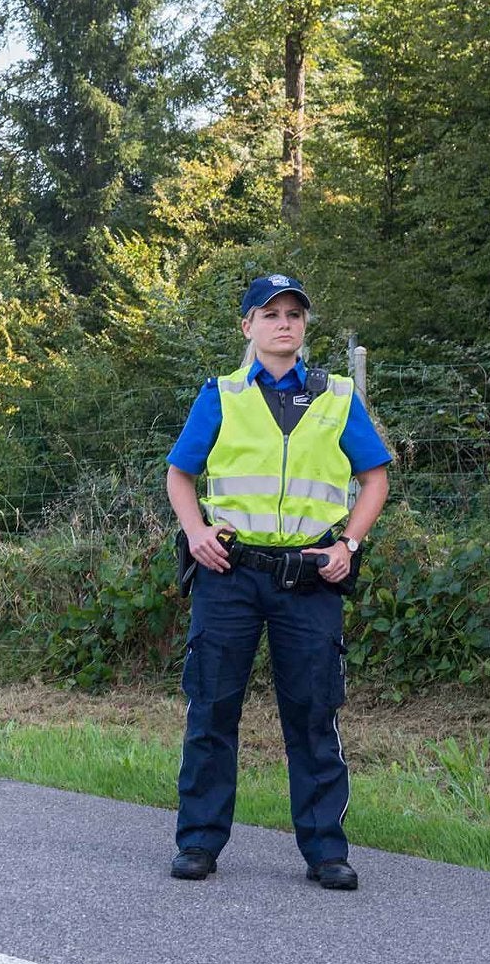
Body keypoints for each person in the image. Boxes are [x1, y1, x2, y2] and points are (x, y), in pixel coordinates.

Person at [165, 274, 392, 890]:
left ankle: (326, 851)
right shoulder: (222, 394)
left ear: (303, 327)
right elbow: (180, 476)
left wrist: (348, 544)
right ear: (248, 328)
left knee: (315, 712)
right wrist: (195, 533)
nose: (283, 323)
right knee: (212, 708)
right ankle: (199, 844)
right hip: (230, 574)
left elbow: (375, 478)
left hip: (309, 578)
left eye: (293, 314)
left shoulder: (337, 397)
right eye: (270, 315)